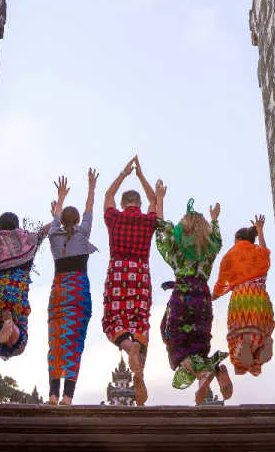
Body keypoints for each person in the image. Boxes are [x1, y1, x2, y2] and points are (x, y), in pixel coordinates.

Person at [155, 192, 232, 405]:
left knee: (178, 348)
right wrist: (215, 219)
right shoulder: (210, 249)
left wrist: (159, 199)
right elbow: (217, 238)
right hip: (203, 300)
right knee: (199, 345)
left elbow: (161, 228)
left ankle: (207, 373)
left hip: (182, 297)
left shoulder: (178, 250)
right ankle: (207, 373)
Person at [102, 155, 160, 406]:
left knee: (112, 322)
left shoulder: (114, 218)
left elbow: (107, 195)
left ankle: (128, 348)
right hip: (140, 273)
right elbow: (154, 201)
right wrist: (142, 175)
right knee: (140, 322)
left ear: (124, 204)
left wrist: (124, 173)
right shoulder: (148, 221)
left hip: (117, 272)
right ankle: (139, 368)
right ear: (138, 203)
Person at [46, 169, 98, 405]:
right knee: (74, 340)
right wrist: (91, 187)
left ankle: (53, 394)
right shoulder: (83, 232)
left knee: (56, 340)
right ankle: (68, 396)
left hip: (59, 291)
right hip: (78, 291)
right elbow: (89, 208)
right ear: (77, 222)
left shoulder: (53, 237)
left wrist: (61, 196)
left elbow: (56, 219)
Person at [0, 211, 48, 360]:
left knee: (7, 346)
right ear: (17, 226)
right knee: (17, 345)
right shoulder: (27, 241)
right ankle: (9, 325)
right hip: (14, 292)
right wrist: (59, 211)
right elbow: (45, 231)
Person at [211, 215, 275, 376]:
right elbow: (266, 252)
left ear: (237, 239)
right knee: (261, 333)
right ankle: (262, 345)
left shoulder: (231, 256)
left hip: (242, 299)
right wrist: (260, 231)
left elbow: (221, 283)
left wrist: (212, 297)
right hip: (260, 298)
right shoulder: (257, 252)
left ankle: (244, 348)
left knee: (238, 339)